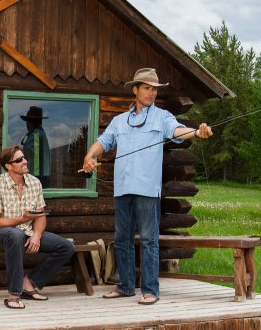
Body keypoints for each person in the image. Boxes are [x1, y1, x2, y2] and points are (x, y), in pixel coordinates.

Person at [81, 68, 213, 305]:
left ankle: (150, 290)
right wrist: (89, 156)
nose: (151, 93)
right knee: (122, 239)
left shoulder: (162, 117)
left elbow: (178, 131)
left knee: (150, 240)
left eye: (154, 89)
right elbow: (103, 142)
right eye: (147, 88)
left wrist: (197, 132)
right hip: (122, 189)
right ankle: (126, 286)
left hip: (147, 190)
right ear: (136, 89)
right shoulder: (119, 121)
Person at [0, 145, 75, 309]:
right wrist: (22, 219)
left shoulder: (34, 183)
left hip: (27, 232)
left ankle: (29, 282)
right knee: (15, 235)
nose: (25, 161)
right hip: (0, 234)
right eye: (19, 160)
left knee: (67, 247)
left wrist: (36, 235)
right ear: (8, 166)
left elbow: (41, 215)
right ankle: (14, 295)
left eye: (24, 157)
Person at [19, 105, 51, 186]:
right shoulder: (40, 134)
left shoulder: (36, 135)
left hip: (36, 178)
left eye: (28, 121)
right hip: (40, 176)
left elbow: (35, 162)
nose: (26, 124)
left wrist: (29, 178)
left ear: (30, 122)